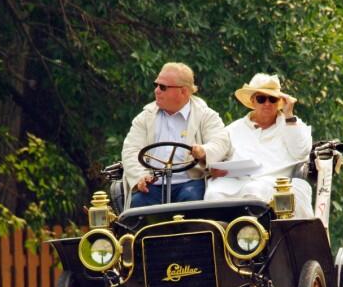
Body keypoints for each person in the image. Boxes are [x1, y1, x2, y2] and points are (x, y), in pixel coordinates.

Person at [122, 62, 231, 208]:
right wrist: (140, 176)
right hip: (152, 185)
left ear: (184, 92)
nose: (156, 91)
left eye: (163, 87)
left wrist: (204, 151)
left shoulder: (206, 115)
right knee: (138, 206)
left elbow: (221, 142)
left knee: (193, 203)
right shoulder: (145, 117)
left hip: (191, 183)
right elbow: (130, 151)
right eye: (156, 85)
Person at [204, 73, 313, 218]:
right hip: (235, 183)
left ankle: (251, 238)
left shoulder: (292, 124)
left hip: (274, 185)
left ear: (279, 102)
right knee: (213, 193)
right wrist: (213, 169)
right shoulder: (233, 129)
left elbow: (301, 152)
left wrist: (289, 115)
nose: (267, 103)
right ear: (253, 101)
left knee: (254, 190)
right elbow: (214, 156)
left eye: (272, 99)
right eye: (261, 99)